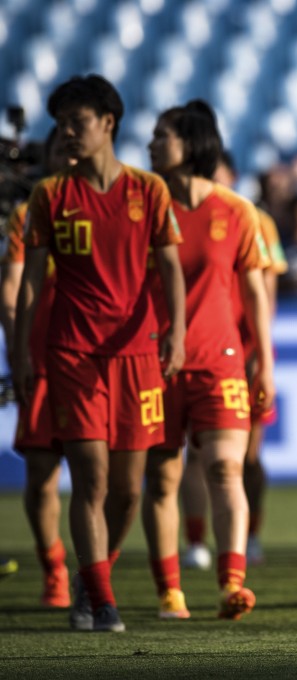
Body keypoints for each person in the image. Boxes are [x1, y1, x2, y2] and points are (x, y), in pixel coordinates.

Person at [13, 74, 187, 632]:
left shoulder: (149, 190)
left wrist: (177, 334)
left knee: (129, 490)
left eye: (77, 121)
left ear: (108, 123)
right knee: (90, 476)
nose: (67, 132)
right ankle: (103, 603)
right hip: (72, 354)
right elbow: (31, 282)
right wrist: (21, 352)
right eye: (61, 123)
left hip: (137, 355)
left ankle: (92, 581)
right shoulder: (49, 195)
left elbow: (170, 268)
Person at [143, 100, 274, 620]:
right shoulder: (144, 207)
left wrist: (265, 361)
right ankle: (170, 592)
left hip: (220, 360)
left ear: (191, 144)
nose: (152, 144)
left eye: (162, 135)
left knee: (225, 467)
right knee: (162, 479)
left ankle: (231, 584)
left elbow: (255, 293)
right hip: (154, 364)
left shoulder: (236, 210)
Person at [180, 151, 289, 570]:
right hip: (201, 349)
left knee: (248, 456)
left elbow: (265, 293)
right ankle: (195, 541)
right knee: (196, 452)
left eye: (219, 173)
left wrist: (260, 354)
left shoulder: (254, 220)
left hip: (247, 349)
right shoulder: (179, 216)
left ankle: (251, 535)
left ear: (233, 175)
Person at [0, 128, 73, 607]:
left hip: (101, 361)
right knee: (42, 473)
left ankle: (96, 571)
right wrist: (19, 351)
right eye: (59, 150)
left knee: (108, 478)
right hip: (44, 360)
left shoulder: (119, 208)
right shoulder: (28, 215)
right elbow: (10, 290)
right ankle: (55, 570)